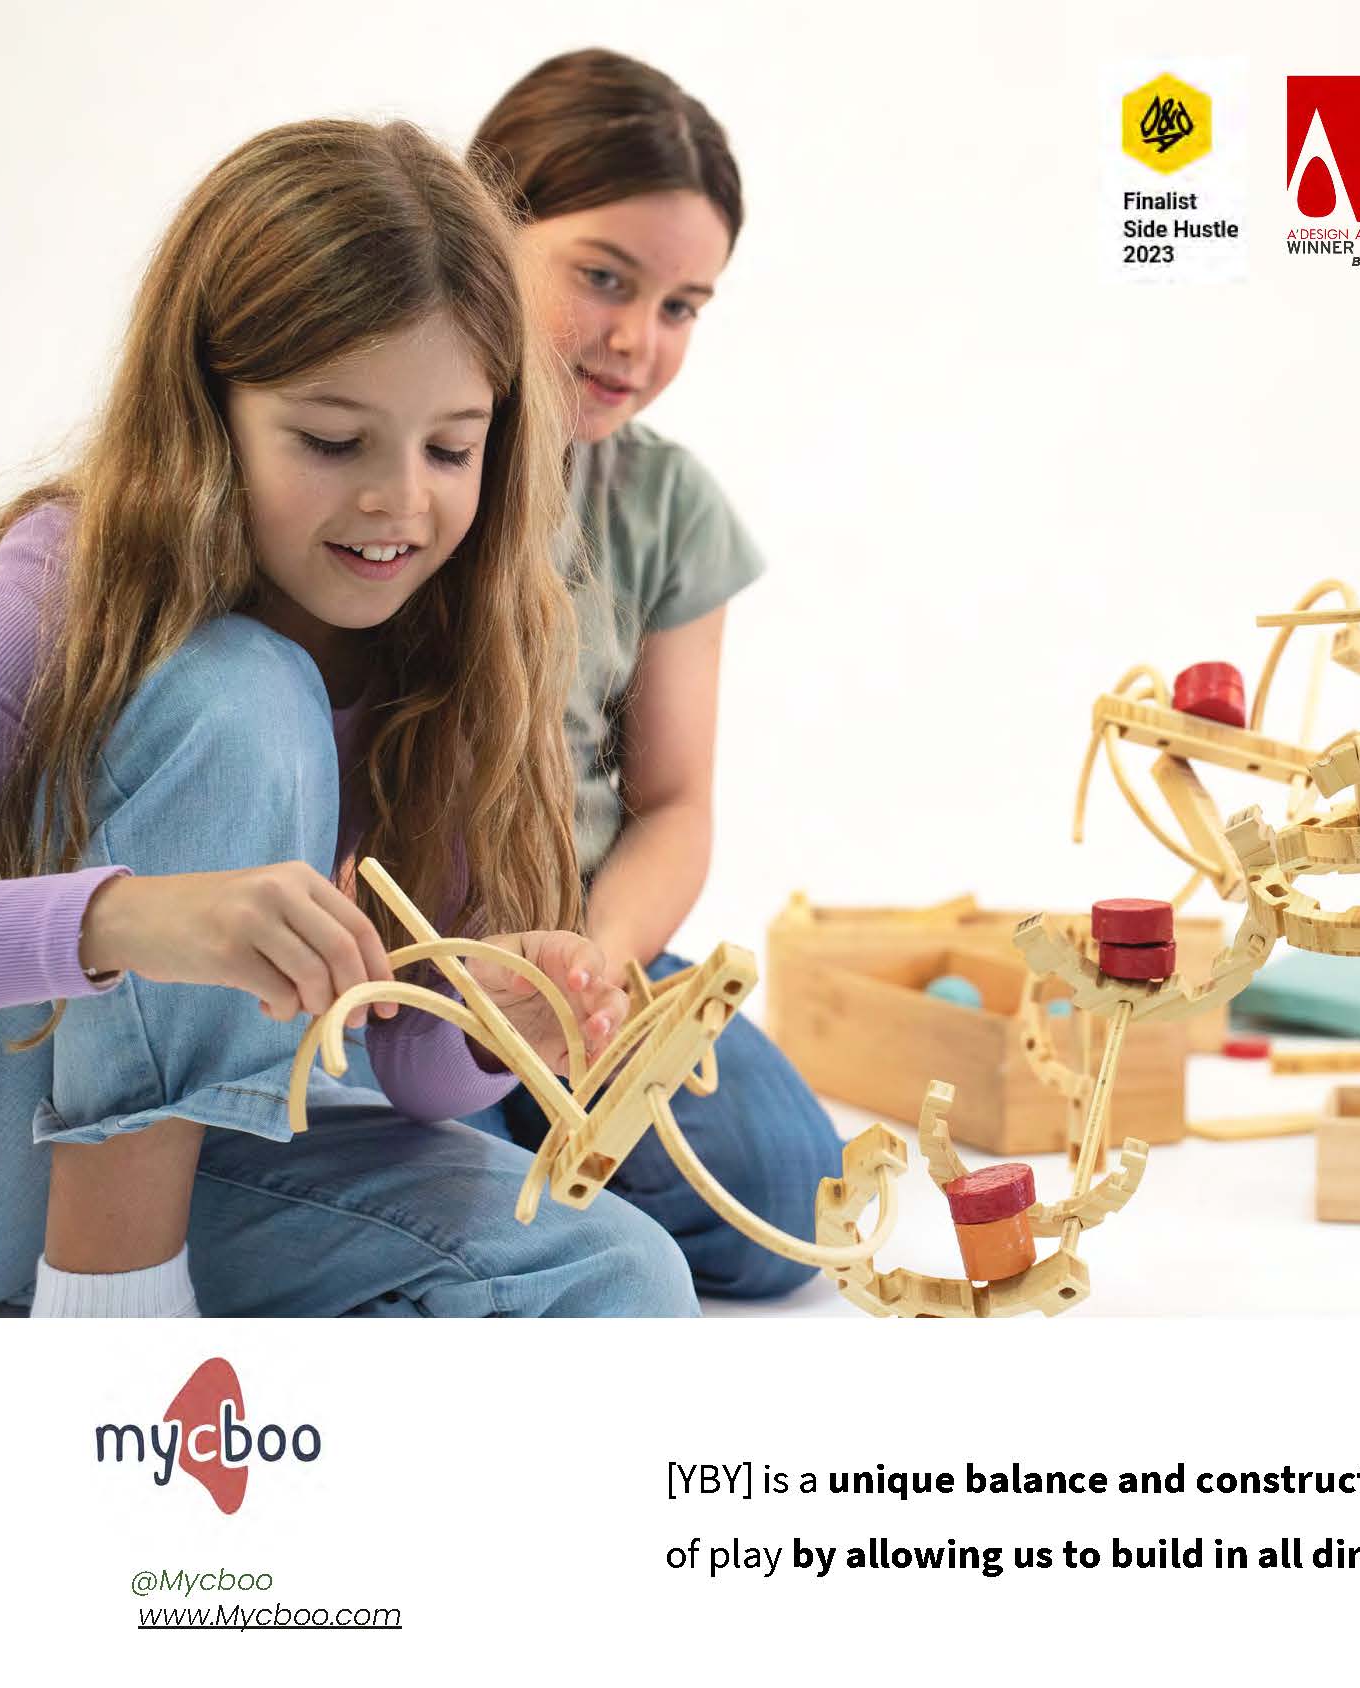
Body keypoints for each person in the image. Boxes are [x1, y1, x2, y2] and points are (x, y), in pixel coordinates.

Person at [0, 119, 692, 1316]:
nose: (398, 502)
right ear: (206, 408)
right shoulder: (72, 573)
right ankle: (109, 1330)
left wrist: (483, 1016)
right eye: (332, 439)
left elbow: (408, 1069)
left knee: (620, 1280)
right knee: (240, 688)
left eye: (452, 448)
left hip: (211, 1151)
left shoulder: (449, 632)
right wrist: (126, 921)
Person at [456, 49, 844, 1300]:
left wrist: (598, 967)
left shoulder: (664, 503)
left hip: (579, 943)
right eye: (603, 279)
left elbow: (672, 800)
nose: (636, 340)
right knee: (426, 1145)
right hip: (402, 953)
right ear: (484, 224)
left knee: (792, 1187)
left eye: (681, 306)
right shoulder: (399, 456)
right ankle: (462, 1156)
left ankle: (504, 1143)